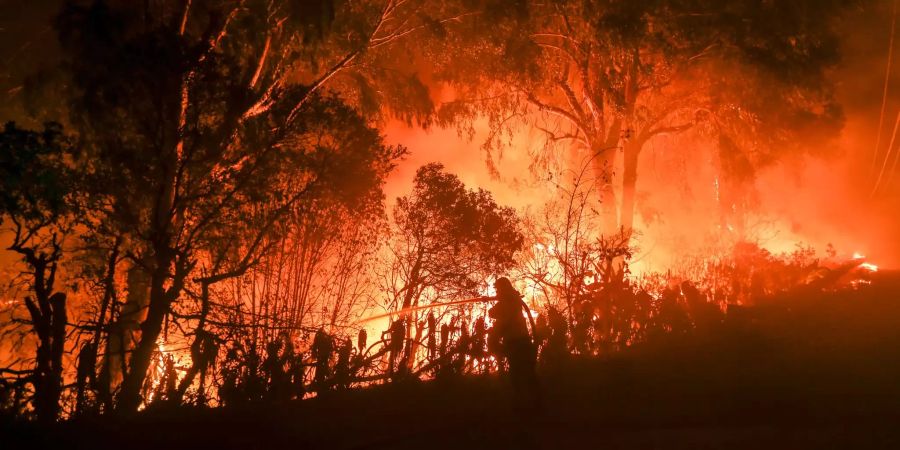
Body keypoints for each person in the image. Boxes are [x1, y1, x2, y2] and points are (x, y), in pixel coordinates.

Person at [488, 277, 540, 409]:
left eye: (498, 289)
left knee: (518, 375)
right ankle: (535, 404)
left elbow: (492, 313)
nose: (497, 291)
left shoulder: (508, 301)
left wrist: (495, 301)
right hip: (523, 341)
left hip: (516, 343)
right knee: (527, 374)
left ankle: (525, 405)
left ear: (503, 288)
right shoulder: (512, 299)